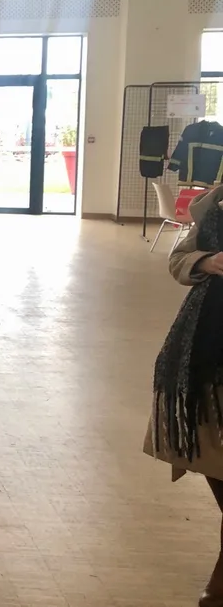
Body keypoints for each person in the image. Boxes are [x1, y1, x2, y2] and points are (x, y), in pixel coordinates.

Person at [147, 186, 223, 607]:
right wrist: (207, 261)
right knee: (210, 451)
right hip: (206, 351)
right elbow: (178, 258)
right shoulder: (216, 202)